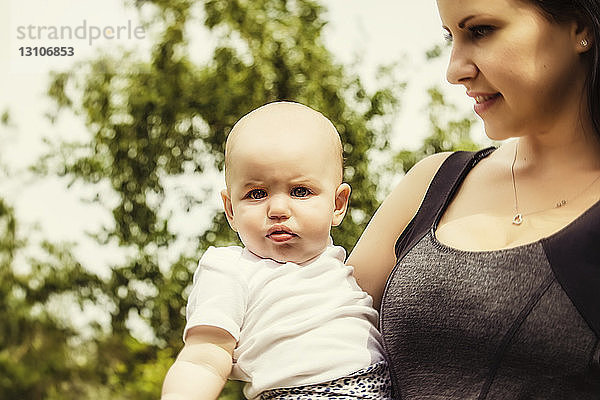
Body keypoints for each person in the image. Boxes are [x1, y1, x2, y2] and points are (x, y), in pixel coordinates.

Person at [348, 0, 600, 398]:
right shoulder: (432, 183)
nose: (454, 71)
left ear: (579, 27)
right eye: (450, 36)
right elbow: (318, 333)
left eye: (480, 31)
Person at [161, 101, 391, 400]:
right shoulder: (230, 269)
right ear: (231, 210)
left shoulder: (339, 267)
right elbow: (203, 358)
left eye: (300, 191)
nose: (278, 209)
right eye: (257, 194)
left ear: (338, 205)